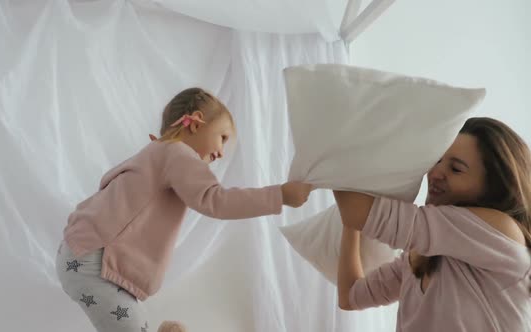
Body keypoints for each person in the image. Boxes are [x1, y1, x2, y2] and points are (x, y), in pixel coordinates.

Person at [55, 87, 313, 332]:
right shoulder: (176, 152)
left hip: (83, 254)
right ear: (197, 120)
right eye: (222, 137)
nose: (222, 152)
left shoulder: (156, 153)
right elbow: (216, 200)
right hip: (94, 261)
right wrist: (279, 195)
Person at [334, 117, 531, 331]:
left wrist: (317, 176)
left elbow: (366, 214)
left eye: (455, 169)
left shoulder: (501, 229)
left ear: (493, 187)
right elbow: (351, 296)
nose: (435, 173)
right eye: (437, 161)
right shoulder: (420, 256)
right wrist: (351, 224)